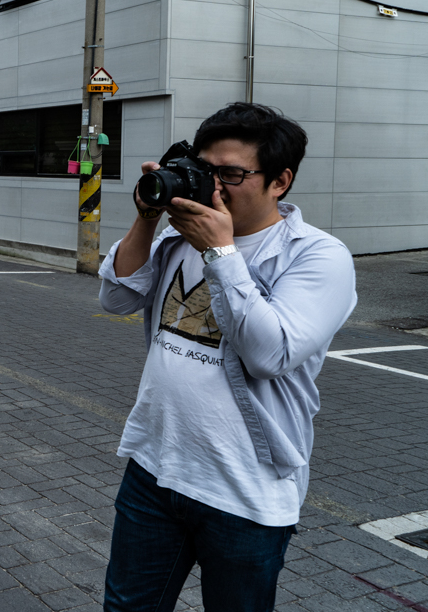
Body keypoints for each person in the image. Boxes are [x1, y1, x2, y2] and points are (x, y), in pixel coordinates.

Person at [98, 103, 356, 612]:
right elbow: (116, 298)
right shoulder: (178, 236)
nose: (213, 186)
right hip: (154, 468)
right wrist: (147, 219)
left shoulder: (318, 255)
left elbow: (270, 353)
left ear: (279, 181)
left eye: (231, 174)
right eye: (204, 169)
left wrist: (220, 253)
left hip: (245, 492)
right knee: (126, 607)